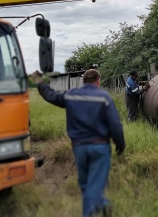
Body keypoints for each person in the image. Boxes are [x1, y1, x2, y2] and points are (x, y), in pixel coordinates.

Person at [31, 69, 125, 217]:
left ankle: (103, 206)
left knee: (85, 183)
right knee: (94, 184)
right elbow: (115, 125)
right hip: (100, 148)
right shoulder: (104, 97)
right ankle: (93, 210)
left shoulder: (71, 95)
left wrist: (39, 81)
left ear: (83, 81)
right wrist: (120, 143)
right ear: (98, 81)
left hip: (79, 147)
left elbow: (50, 95)